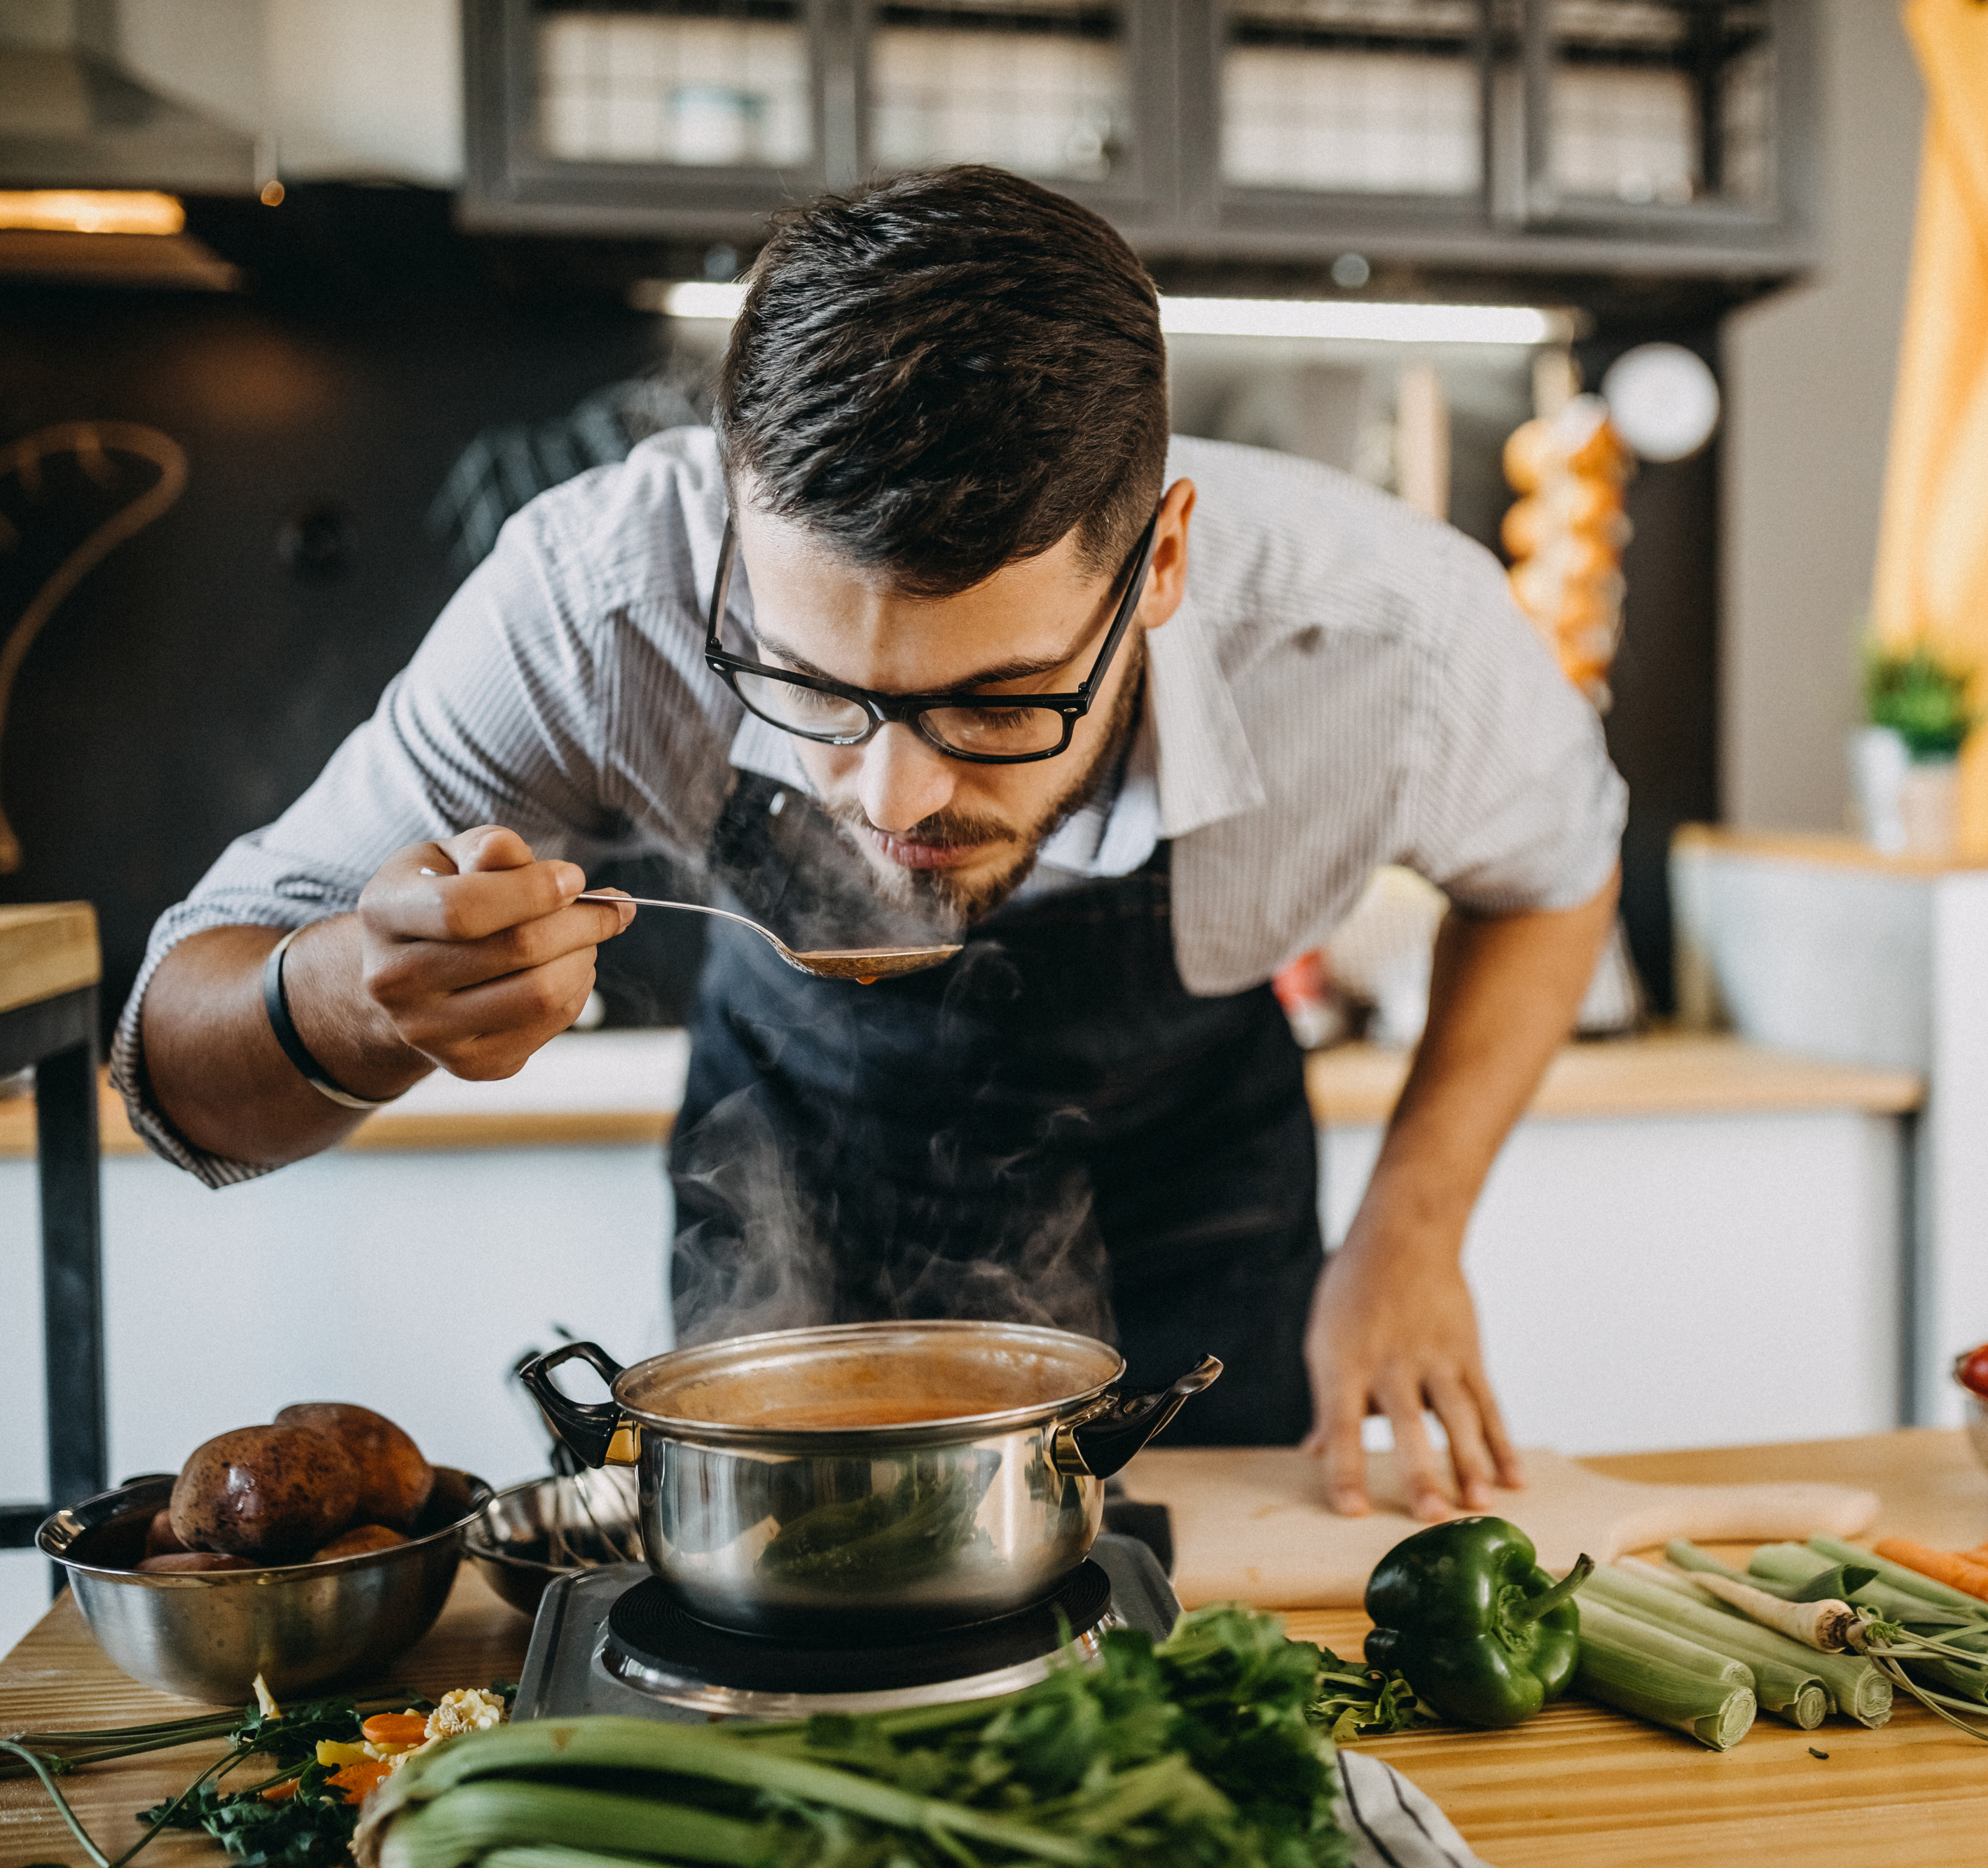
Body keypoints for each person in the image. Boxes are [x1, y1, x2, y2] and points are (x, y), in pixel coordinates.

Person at [117, 166, 1625, 1522]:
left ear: (1159, 561)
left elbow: (1552, 876)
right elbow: (171, 1071)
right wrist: (350, 998)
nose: (892, 796)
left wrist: (1413, 1229)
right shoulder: (600, 603)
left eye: (994, 701)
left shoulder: (1386, 640)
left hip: (1199, 1212)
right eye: (814, 690)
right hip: (790, 1177)